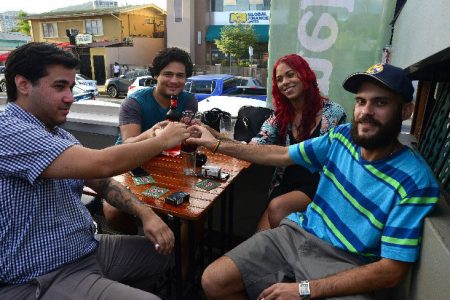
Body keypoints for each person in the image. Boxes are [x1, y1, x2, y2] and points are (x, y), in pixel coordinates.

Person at [188, 63, 440, 299]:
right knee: (213, 280)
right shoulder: (342, 137)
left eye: (380, 103)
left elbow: (391, 271)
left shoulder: (416, 181)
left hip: (348, 262)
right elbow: (279, 153)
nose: (366, 112)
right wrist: (217, 143)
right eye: (361, 102)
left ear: (406, 110)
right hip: (301, 233)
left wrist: (304, 289)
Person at [0, 42, 190, 299]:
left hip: (85, 245)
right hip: (44, 272)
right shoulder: (8, 131)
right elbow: (102, 163)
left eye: (70, 86)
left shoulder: (55, 132)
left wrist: (146, 214)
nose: (69, 97)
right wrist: (162, 140)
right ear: (23, 84)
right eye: (59, 86)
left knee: (165, 253)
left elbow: (101, 180)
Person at [104, 47, 197, 234]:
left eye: (180, 75)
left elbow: (187, 140)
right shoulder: (134, 102)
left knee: (193, 213)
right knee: (113, 212)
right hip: (131, 164)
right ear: (156, 75)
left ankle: (179, 261)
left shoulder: (189, 101)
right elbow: (127, 144)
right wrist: (152, 134)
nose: (174, 80)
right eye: (167, 74)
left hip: (170, 166)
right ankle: (140, 249)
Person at [251, 54, 346, 230]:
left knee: (277, 208)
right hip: (285, 185)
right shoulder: (280, 115)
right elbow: (259, 142)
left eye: (290, 75)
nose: (285, 82)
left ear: (305, 75)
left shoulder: (333, 113)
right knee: (258, 239)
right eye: (279, 79)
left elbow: (340, 159)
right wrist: (220, 140)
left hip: (319, 187)